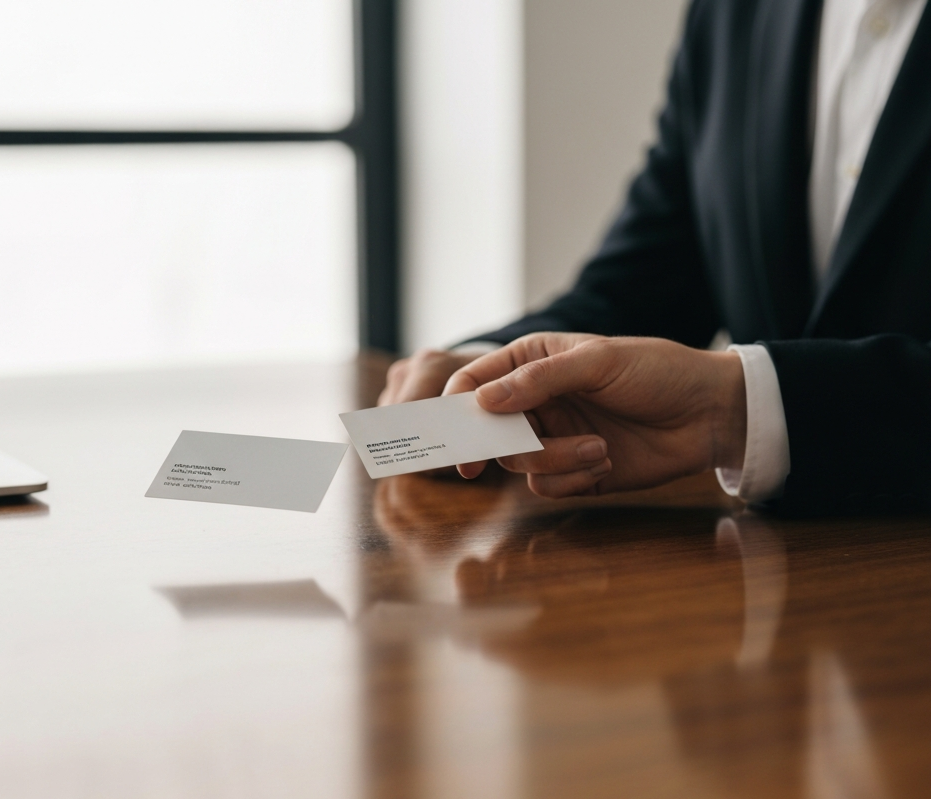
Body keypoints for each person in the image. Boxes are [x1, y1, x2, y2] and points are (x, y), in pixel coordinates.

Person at [379, 0, 931, 516]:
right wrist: (494, 367)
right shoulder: (731, 11)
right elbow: (654, 274)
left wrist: (736, 409)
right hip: (762, 578)